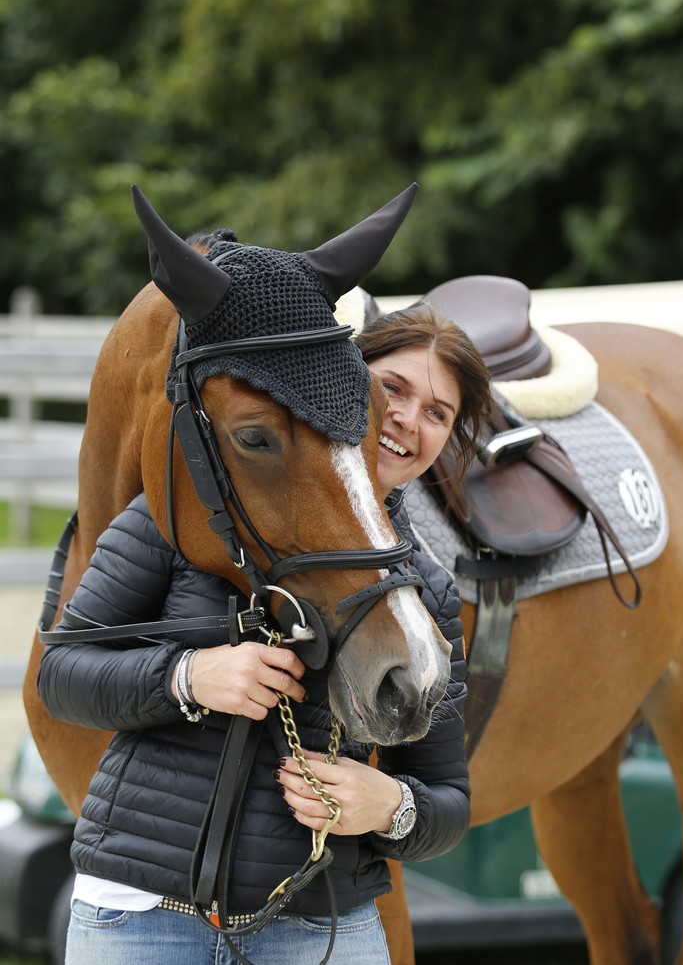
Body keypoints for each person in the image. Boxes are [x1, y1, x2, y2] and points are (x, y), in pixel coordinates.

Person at [37, 285, 492, 965]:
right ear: (345, 389)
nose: (405, 419)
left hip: (316, 930)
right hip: (141, 920)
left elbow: (446, 798)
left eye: (438, 412)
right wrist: (189, 676)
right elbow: (60, 677)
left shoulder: (425, 592)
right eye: (390, 389)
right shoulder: (186, 510)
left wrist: (388, 804)